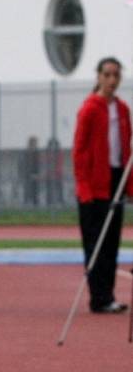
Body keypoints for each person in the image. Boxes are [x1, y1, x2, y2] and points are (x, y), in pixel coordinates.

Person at [73, 57, 133, 314]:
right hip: (94, 185)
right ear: (98, 77)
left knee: (111, 242)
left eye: (116, 75)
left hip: (115, 180)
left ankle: (107, 295)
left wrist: (129, 187)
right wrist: (84, 188)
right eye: (107, 75)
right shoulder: (89, 109)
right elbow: (79, 151)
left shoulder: (122, 110)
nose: (111, 80)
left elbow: (126, 149)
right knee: (95, 243)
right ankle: (98, 297)